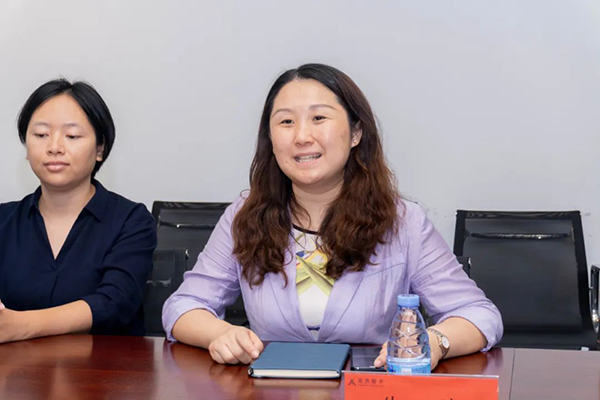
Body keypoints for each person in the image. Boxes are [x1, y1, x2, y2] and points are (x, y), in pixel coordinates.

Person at [162, 63, 502, 368]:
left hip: (367, 388)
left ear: (356, 133)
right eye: (286, 122)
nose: (302, 137)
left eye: (319, 118)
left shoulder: (403, 222)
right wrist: (219, 334)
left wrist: (434, 341)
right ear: (271, 138)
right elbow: (183, 306)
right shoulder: (245, 215)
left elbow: (478, 315)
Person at [0, 79, 156, 342]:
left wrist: (21, 325)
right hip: (15, 366)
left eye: (72, 136)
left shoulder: (131, 221)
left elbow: (115, 303)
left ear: (100, 148)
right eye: (41, 135)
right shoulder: (4, 221)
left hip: (104, 365)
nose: (54, 147)